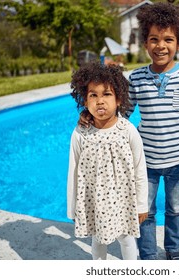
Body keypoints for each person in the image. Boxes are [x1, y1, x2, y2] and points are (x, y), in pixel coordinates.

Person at [79, 2, 179, 260]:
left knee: (177, 209)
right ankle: (147, 254)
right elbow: (122, 112)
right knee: (144, 210)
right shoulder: (136, 78)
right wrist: (93, 116)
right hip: (144, 161)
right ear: (146, 43)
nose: (161, 45)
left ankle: (173, 250)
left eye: (168, 39)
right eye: (154, 39)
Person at [67, 62, 148, 260]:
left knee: (127, 238)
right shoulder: (80, 133)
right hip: (94, 200)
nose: (100, 101)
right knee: (97, 240)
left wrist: (141, 204)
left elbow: (140, 169)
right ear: (85, 101)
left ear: (119, 99)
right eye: (93, 95)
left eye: (107, 94)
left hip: (123, 200)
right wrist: (72, 206)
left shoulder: (127, 131)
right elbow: (73, 170)